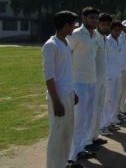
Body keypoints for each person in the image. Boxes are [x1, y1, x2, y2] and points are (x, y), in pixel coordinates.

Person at [43, 11, 79, 168]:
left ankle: (63, 164)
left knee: (67, 133)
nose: (74, 27)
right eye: (73, 24)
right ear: (65, 25)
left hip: (68, 94)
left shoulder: (66, 43)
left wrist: (73, 92)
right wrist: (56, 101)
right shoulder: (50, 46)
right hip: (58, 97)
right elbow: (48, 77)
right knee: (57, 135)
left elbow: (66, 72)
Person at [67, 7, 99, 164]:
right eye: (92, 17)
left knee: (87, 118)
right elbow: (66, 56)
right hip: (78, 83)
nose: (95, 20)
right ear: (84, 18)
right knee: (78, 120)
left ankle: (79, 149)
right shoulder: (76, 34)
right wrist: (70, 85)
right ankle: (70, 157)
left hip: (91, 81)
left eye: (96, 18)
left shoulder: (94, 35)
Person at [90, 13, 112, 144]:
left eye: (107, 25)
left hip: (104, 78)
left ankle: (95, 136)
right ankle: (88, 140)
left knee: (100, 107)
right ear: (98, 24)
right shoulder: (94, 38)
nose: (105, 27)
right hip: (94, 79)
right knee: (93, 109)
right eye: (103, 24)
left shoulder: (105, 39)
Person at [103, 21, 123, 134]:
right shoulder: (107, 41)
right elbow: (104, 59)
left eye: (119, 30)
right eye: (116, 30)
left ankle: (110, 122)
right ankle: (103, 125)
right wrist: (107, 74)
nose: (118, 32)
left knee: (115, 99)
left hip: (117, 74)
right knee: (108, 100)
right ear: (111, 30)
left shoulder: (118, 40)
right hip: (109, 75)